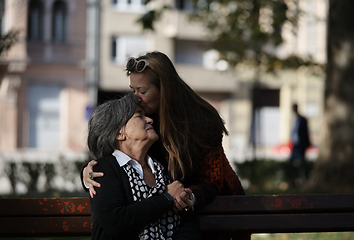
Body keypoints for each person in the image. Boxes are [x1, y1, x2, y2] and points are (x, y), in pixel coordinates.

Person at [83, 51, 249, 239]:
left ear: (165, 90)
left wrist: (187, 196)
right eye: (133, 90)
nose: (136, 98)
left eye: (143, 91)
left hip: (217, 208)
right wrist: (88, 172)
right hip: (168, 208)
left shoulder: (201, 121)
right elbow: (117, 161)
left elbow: (212, 180)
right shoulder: (144, 120)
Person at [87, 94, 200, 240]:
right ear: (119, 133)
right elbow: (115, 222)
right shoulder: (103, 170)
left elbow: (188, 220)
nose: (150, 119)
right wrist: (166, 198)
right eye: (139, 116)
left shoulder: (163, 169)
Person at [289, 104, 311, 185]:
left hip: (300, 144)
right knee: (292, 162)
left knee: (301, 162)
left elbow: (305, 133)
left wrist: (306, 144)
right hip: (295, 144)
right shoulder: (294, 119)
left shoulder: (301, 119)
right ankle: (293, 180)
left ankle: (304, 178)